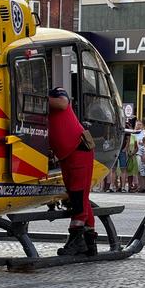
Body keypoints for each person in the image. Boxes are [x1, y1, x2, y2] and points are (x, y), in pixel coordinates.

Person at [48, 87, 97, 256]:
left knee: (77, 196)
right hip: (67, 155)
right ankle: (89, 242)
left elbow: (62, 103)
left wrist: (38, 99)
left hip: (78, 150)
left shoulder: (56, 92)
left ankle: (77, 241)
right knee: (80, 197)